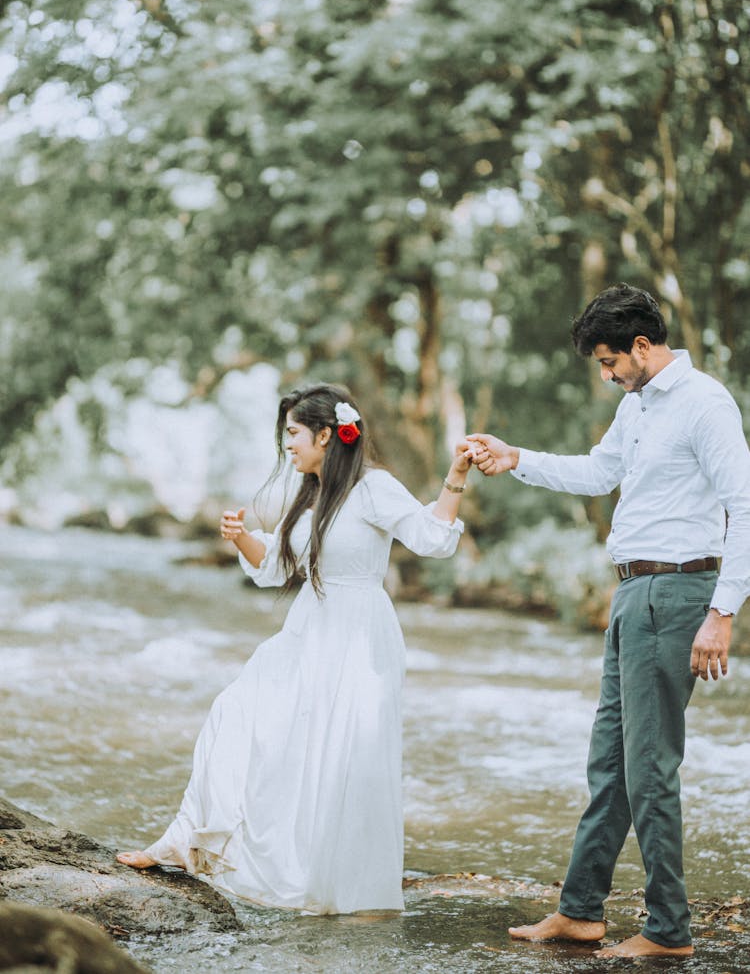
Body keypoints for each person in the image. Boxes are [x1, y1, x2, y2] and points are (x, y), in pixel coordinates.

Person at [465, 283, 750, 959]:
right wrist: (517, 460)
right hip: (632, 595)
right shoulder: (636, 405)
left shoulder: (705, 404)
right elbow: (600, 473)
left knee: (650, 769)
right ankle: (580, 910)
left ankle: (668, 930)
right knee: (611, 764)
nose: (606, 374)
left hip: (678, 592)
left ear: (642, 346)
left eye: (608, 361)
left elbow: (746, 503)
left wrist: (723, 612)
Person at [117, 382, 475, 914]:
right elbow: (277, 568)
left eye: (293, 433)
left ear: (327, 435)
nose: (286, 444)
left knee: (340, 757)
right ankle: (189, 838)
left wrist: (455, 478)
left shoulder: (374, 488)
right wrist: (240, 536)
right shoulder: (309, 494)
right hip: (307, 628)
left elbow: (431, 538)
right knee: (238, 714)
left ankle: (335, 885)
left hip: (359, 635)